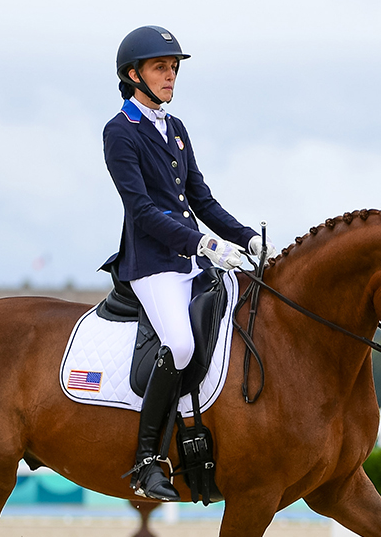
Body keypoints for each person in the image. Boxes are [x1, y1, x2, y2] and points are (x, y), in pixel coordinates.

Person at [101, 25, 273, 502]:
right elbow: (141, 209)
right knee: (178, 344)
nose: (171, 75)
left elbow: (200, 198)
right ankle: (145, 462)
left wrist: (245, 240)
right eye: (161, 67)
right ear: (133, 74)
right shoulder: (120, 131)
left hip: (191, 261)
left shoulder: (175, 129)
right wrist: (203, 244)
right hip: (153, 265)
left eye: (174, 67)